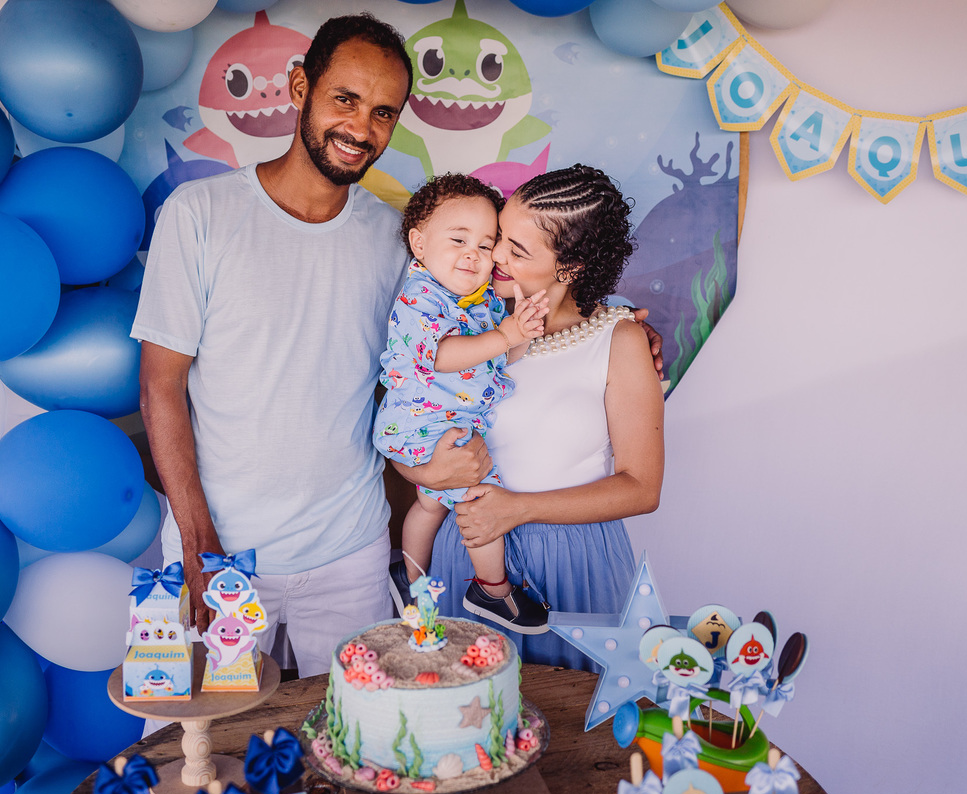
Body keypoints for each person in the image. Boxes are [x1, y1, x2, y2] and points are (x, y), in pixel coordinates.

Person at [133, 13, 489, 678]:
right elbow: (160, 386)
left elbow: (471, 328)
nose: (361, 129)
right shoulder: (200, 214)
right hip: (221, 552)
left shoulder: (397, 240)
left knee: (359, 752)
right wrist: (197, 541)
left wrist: (613, 326)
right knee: (197, 757)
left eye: (383, 112)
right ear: (300, 88)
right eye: (344, 100)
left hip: (350, 551)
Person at [419, 164, 667, 671]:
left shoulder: (619, 338)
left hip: (573, 560)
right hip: (467, 550)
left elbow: (643, 487)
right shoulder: (466, 322)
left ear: (571, 265)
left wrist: (518, 509)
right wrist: (425, 475)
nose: (495, 257)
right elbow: (410, 422)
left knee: (573, 730)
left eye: (519, 250)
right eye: (499, 238)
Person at [374, 173, 550, 633]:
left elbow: (502, 356)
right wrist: (505, 334)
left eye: (486, 244)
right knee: (478, 494)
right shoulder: (420, 298)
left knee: (431, 505)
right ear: (419, 243)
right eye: (458, 240)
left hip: (442, 421)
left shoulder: (482, 299)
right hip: (421, 421)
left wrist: (522, 334)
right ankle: (492, 589)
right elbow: (440, 355)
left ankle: (408, 576)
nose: (473, 254)